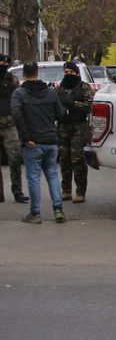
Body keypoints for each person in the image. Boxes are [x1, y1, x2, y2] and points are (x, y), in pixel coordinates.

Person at [11, 62, 65, 224]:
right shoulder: (50, 92)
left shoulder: (19, 94)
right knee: (52, 174)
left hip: (33, 142)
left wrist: (26, 137)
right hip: (50, 140)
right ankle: (58, 209)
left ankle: (35, 213)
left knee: (33, 177)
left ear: (23, 75)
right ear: (37, 73)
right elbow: (60, 114)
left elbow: (16, 114)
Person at [55, 61, 94, 203]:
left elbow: (89, 106)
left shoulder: (84, 87)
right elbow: (54, 106)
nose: (68, 75)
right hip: (63, 127)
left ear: (77, 73)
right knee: (64, 159)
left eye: (71, 73)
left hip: (79, 126)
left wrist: (73, 103)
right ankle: (66, 190)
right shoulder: (59, 88)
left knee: (77, 158)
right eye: (66, 72)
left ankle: (80, 191)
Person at [0, 54, 28, 203]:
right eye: (1, 62)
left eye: (5, 63)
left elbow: (19, 98)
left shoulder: (12, 79)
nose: (3, 64)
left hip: (10, 124)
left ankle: (17, 191)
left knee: (15, 159)